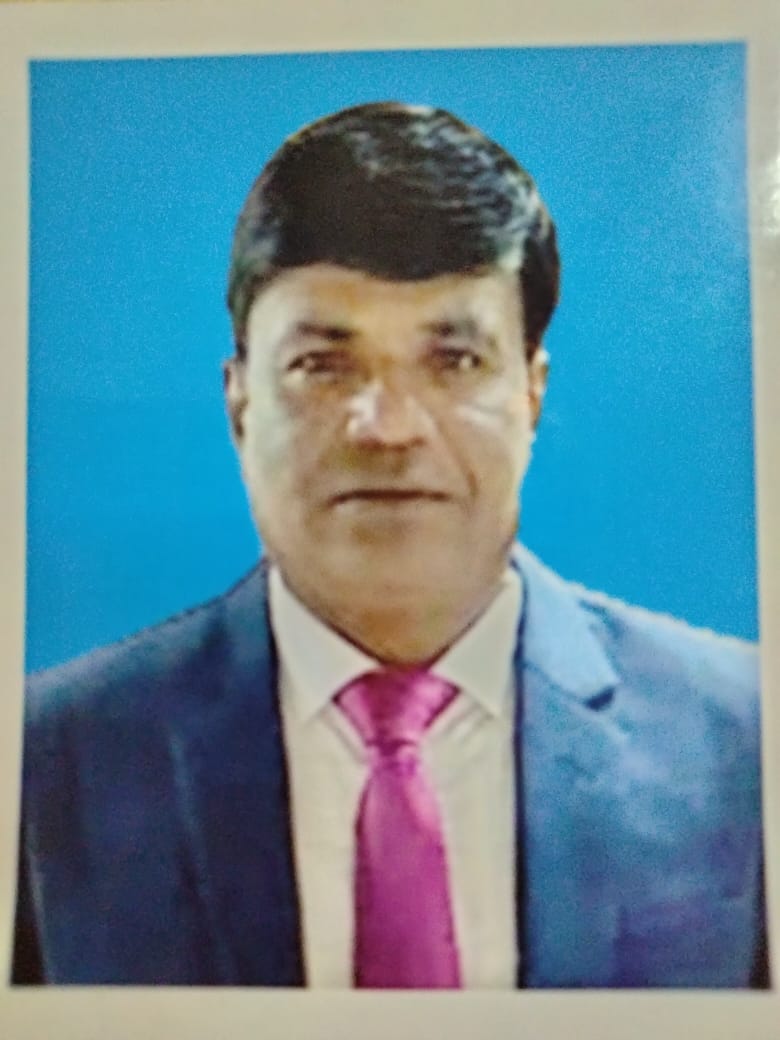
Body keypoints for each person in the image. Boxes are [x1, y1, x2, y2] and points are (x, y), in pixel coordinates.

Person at [11, 102, 767, 988]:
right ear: (239, 404)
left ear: (532, 395)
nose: (387, 426)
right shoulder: (45, 762)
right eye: (323, 366)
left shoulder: (745, 735)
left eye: (454, 362)